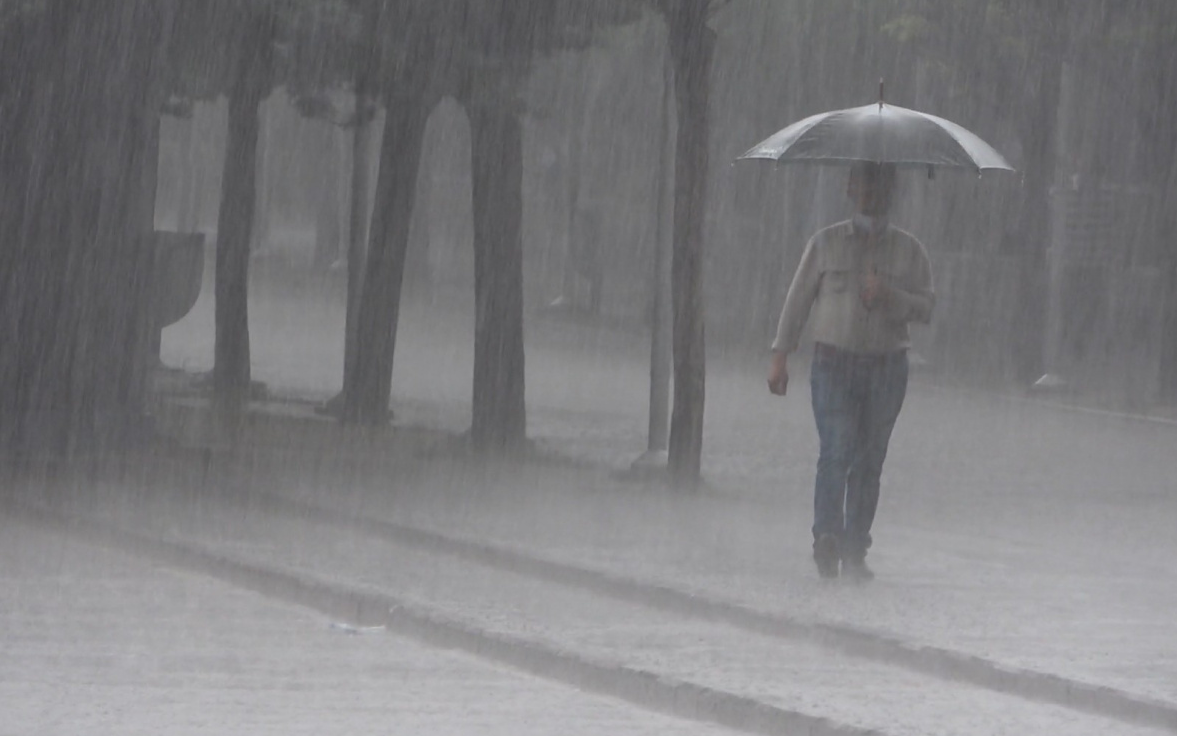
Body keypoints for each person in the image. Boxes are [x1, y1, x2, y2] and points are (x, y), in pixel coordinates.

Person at [767, 161, 934, 581]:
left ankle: (856, 545)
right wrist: (780, 355)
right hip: (833, 363)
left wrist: (888, 295)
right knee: (836, 450)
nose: (870, 192)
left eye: (879, 183)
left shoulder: (909, 250)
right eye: (862, 182)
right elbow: (798, 300)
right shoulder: (825, 244)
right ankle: (827, 535)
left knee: (869, 460)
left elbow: (926, 306)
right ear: (849, 188)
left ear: (891, 190)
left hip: (886, 366)